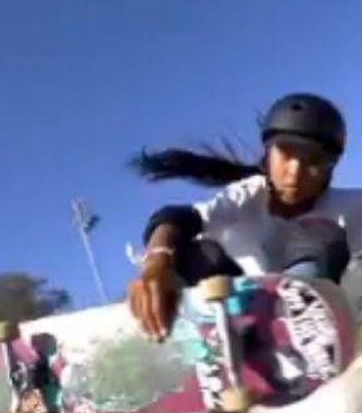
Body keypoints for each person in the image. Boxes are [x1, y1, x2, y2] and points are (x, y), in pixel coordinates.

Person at [127, 92, 362, 339]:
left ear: (331, 167)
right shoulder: (247, 194)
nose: (295, 172)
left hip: (321, 328)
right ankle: (204, 338)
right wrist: (157, 262)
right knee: (201, 253)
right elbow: (175, 218)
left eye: (312, 161)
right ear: (268, 153)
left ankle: (299, 331)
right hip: (242, 317)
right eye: (285, 154)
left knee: (322, 236)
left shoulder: (352, 205)